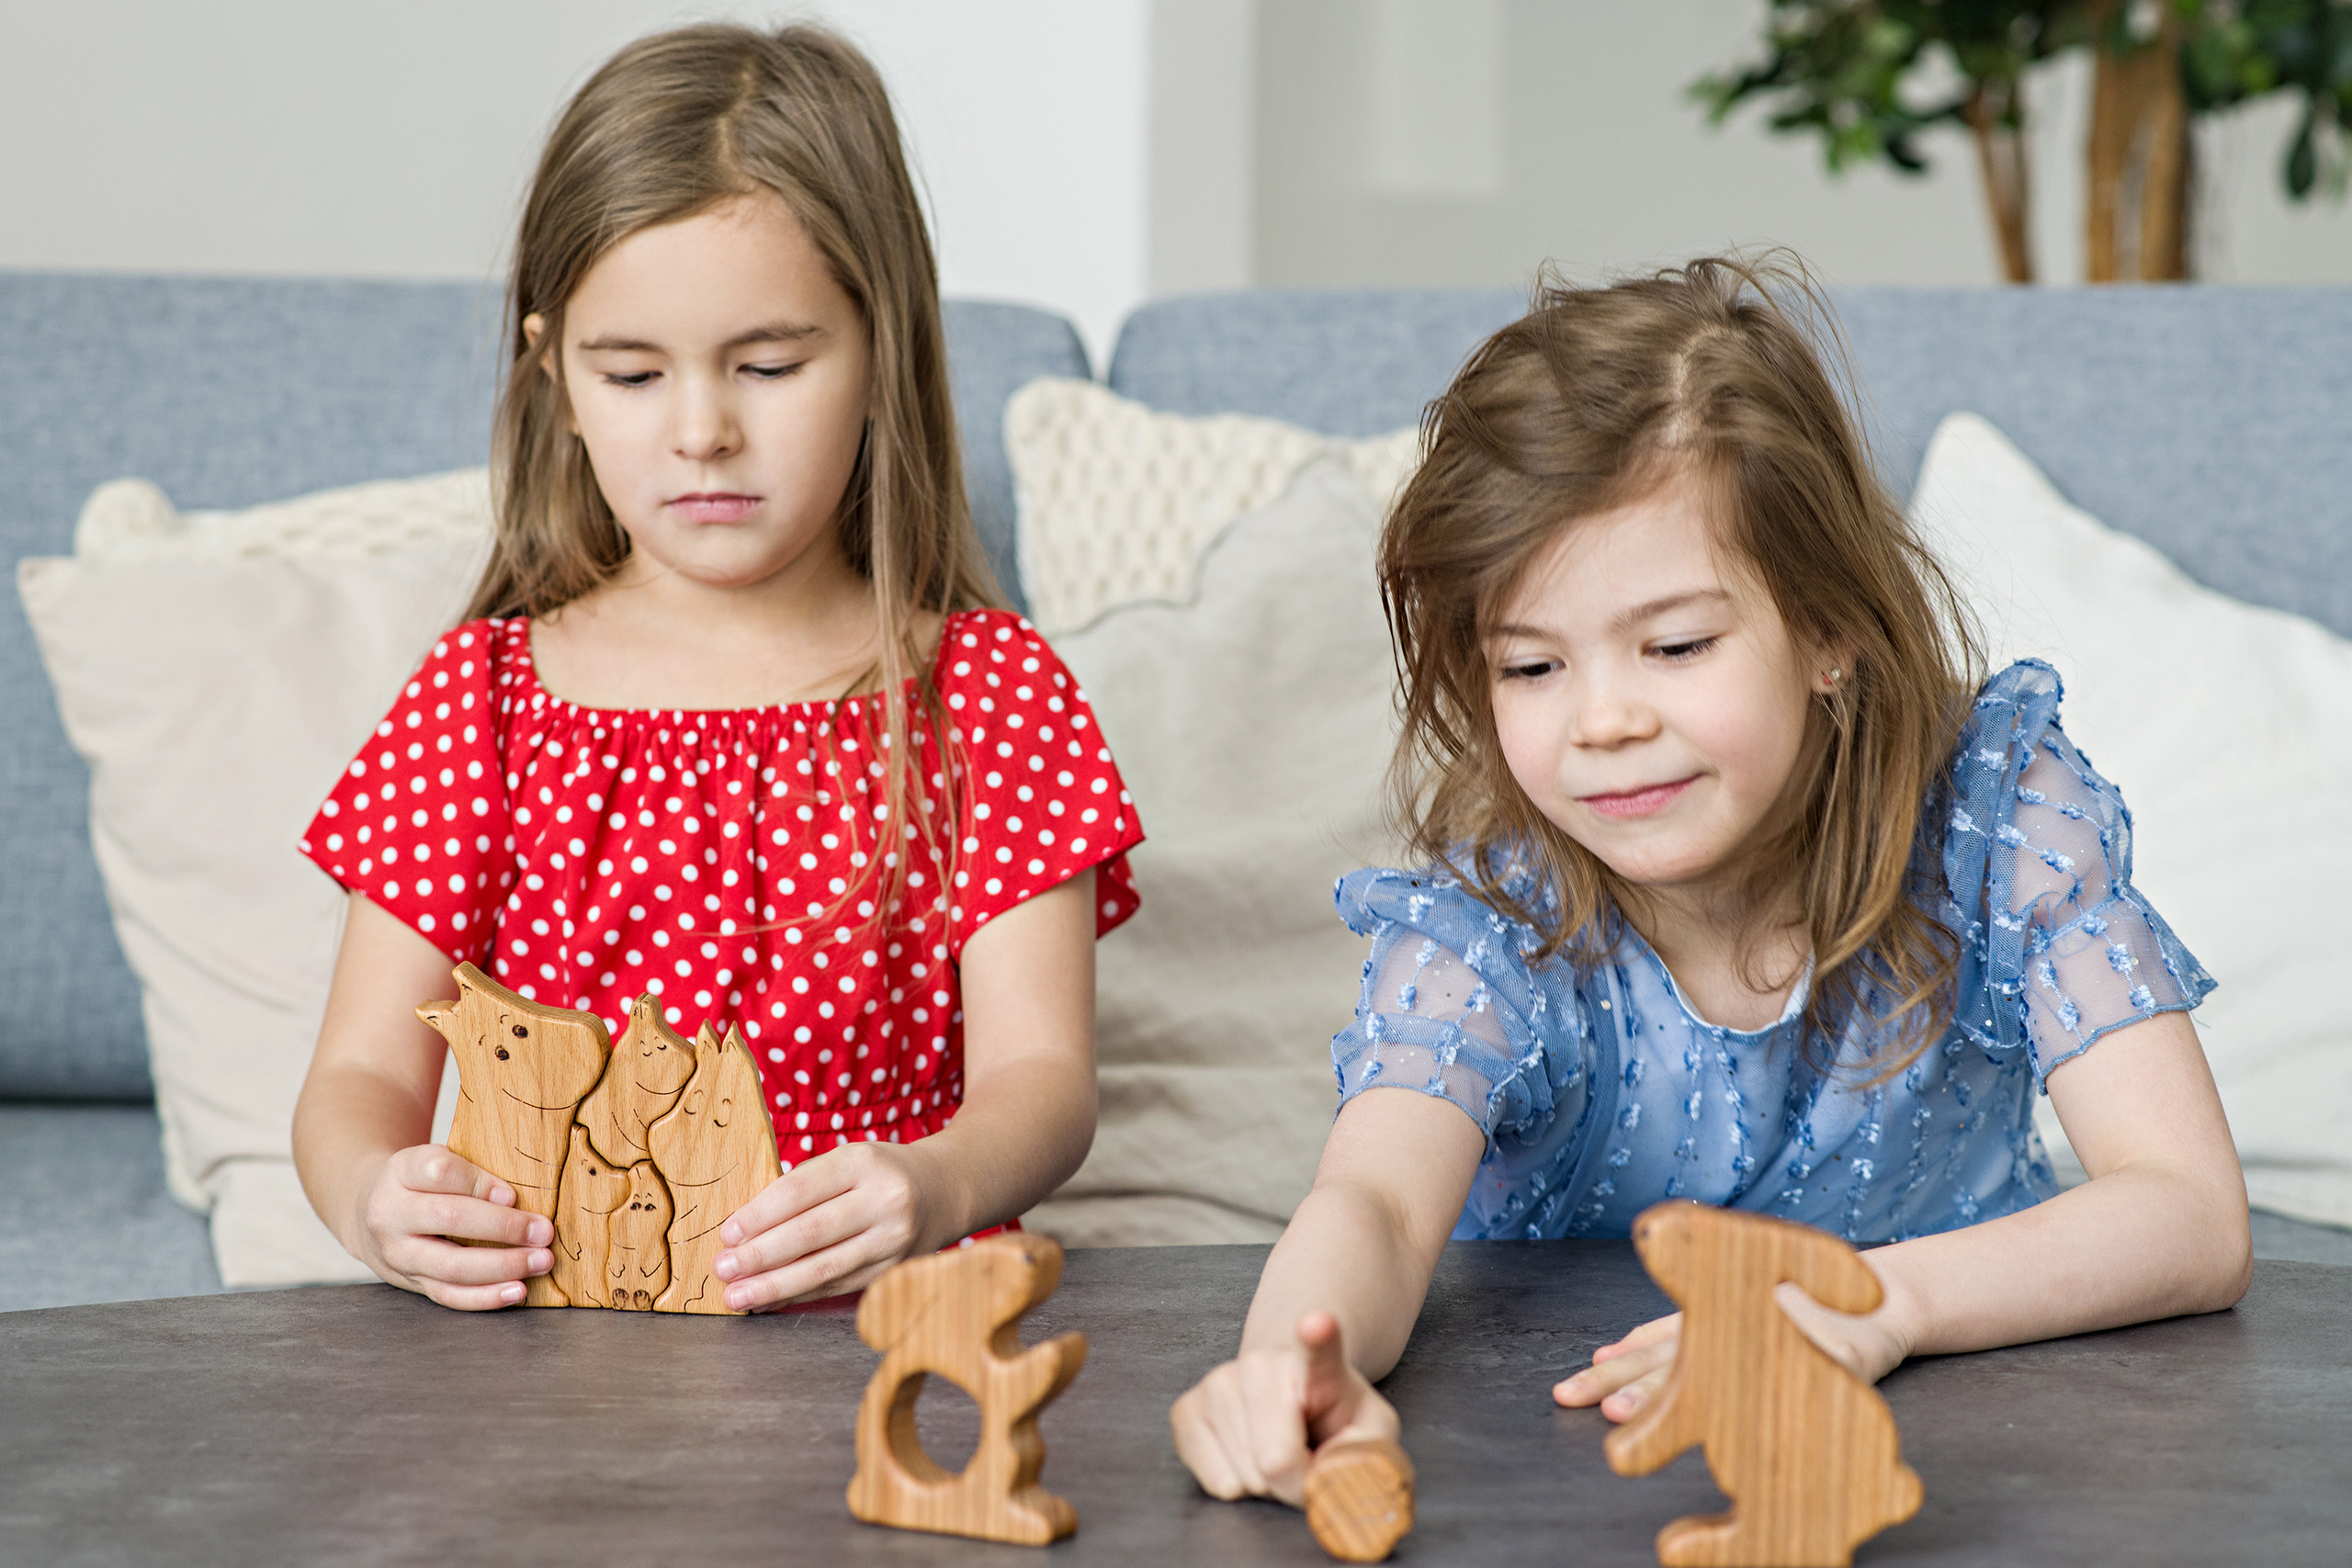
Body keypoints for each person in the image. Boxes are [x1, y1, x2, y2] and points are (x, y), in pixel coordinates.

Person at [1169, 256, 2248, 1505]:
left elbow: (2188, 1211)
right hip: (1578, 1463)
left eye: (1675, 644)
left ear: (1831, 626)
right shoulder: (1496, 917)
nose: (1603, 721)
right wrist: (1285, 1365)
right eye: (1531, 668)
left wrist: (1874, 1308)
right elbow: (1377, 1207)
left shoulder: (1994, 813)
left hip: (1969, 1426)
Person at [291, 23, 1139, 1313]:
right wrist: (372, 1195)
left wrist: (939, 1186)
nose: (703, 432)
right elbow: (357, 1079)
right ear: (556, 377)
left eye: (770, 365)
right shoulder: (486, 698)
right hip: (552, 1361)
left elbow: (1044, 1081)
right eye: (631, 373)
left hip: (881, 1342)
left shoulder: (987, 691)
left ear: (883, 354)